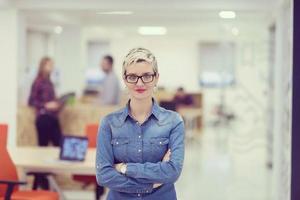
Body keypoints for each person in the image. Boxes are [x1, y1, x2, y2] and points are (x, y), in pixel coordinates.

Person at [95, 47, 185, 200]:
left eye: (147, 76)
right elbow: (103, 176)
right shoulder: (109, 123)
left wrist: (124, 168)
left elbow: (172, 171)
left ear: (156, 78)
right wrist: (151, 183)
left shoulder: (173, 122)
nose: (139, 83)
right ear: (124, 79)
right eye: (132, 76)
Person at [28, 56, 63, 189]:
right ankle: (40, 184)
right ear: (43, 66)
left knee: (59, 147)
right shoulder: (38, 82)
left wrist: (57, 103)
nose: (51, 67)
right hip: (43, 119)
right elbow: (31, 101)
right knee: (42, 151)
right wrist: (46, 105)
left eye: (52, 65)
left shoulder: (49, 82)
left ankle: (46, 182)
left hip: (53, 119)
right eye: (49, 65)